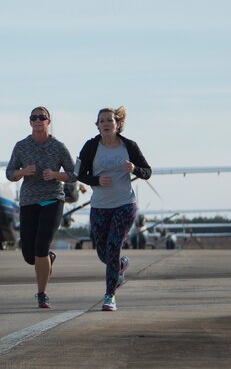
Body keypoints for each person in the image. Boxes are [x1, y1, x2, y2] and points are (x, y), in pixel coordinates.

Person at [76, 106, 151, 311]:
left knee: (113, 246)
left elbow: (148, 171)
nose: (106, 124)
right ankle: (120, 265)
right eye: (102, 121)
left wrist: (134, 168)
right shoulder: (90, 147)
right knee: (104, 254)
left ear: (118, 125)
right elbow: (78, 174)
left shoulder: (129, 146)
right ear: (98, 126)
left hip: (125, 205)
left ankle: (110, 296)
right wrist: (96, 180)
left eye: (110, 120)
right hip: (100, 206)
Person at [6, 106, 77, 308]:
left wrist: (56, 175)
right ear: (30, 122)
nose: (38, 120)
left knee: (41, 246)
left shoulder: (59, 147)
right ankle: (47, 260)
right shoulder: (21, 146)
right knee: (30, 256)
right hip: (29, 201)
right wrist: (23, 171)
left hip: (52, 199)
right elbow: (9, 173)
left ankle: (42, 294)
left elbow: (73, 174)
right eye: (34, 118)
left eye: (42, 117)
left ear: (48, 121)